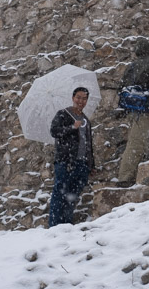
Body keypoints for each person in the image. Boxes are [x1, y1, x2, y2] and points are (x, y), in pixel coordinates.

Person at [117, 37, 149, 187]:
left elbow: (122, 87)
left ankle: (128, 175)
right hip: (143, 109)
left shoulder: (131, 65)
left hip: (131, 109)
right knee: (136, 144)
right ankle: (125, 178)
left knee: (134, 141)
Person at [49, 87, 95, 227]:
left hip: (82, 164)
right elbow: (54, 131)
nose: (81, 101)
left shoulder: (86, 120)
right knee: (60, 194)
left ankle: (66, 226)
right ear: (73, 98)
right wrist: (72, 128)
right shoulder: (63, 114)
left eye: (84, 98)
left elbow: (88, 143)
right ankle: (54, 226)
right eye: (78, 97)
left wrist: (91, 165)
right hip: (66, 161)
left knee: (72, 196)